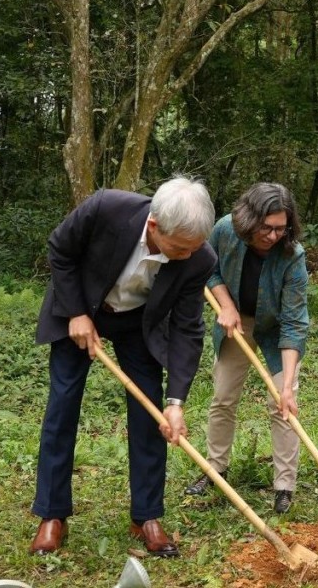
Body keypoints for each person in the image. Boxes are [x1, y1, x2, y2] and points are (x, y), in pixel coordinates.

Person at [29, 177, 216, 559]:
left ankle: (146, 515)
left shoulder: (199, 257)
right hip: (81, 309)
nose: (186, 256)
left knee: (150, 412)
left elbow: (187, 327)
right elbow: (60, 250)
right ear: (153, 226)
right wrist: (77, 313)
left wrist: (176, 401)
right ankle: (52, 515)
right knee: (63, 406)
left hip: (138, 325)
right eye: (179, 248)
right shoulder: (106, 209)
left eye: (193, 248)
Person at [185, 183, 310, 515]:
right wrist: (225, 305)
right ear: (248, 220)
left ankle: (284, 486)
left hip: (277, 328)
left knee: (282, 405)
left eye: (280, 229)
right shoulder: (225, 230)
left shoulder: (292, 256)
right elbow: (206, 268)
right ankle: (215, 469)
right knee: (223, 396)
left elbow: (295, 322)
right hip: (236, 321)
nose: (272, 236)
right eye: (265, 228)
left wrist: (286, 387)